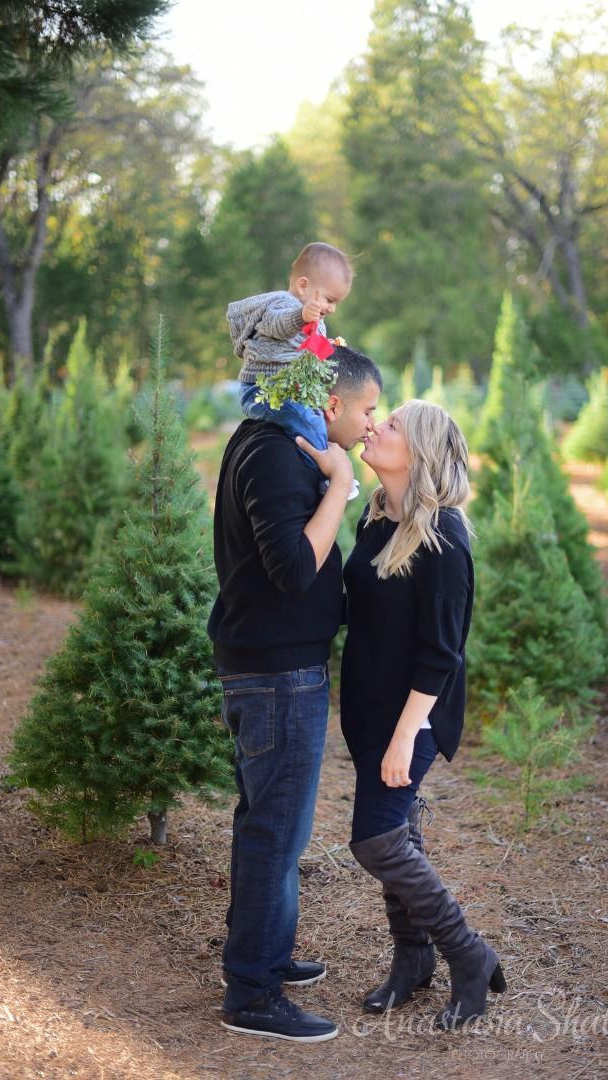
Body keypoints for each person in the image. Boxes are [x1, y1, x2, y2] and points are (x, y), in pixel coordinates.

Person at [311, 399, 507, 1031]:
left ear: (417, 451)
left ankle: (467, 954)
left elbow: (440, 655)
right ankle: (412, 959)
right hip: (368, 710)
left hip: (413, 719)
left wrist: (403, 740)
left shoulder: (445, 539)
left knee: (377, 839)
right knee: (399, 835)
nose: (376, 426)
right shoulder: (376, 521)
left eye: (391, 423)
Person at [208, 346, 382, 1042]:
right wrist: (341, 486)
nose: (373, 425)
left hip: (275, 665)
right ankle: (252, 991)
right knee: (275, 832)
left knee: (272, 825)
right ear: (332, 405)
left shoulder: (273, 440)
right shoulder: (282, 453)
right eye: (368, 410)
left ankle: (263, 955)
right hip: (277, 673)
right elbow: (292, 569)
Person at [227, 242, 353, 464]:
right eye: (329, 299)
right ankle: (325, 469)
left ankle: (314, 461)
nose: (332, 308)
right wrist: (300, 316)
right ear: (303, 286)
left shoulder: (317, 321)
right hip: (261, 391)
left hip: (288, 391)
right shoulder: (282, 305)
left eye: (337, 303)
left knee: (316, 417)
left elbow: (309, 355)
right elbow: (276, 325)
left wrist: (330, 351)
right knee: (306, 420)